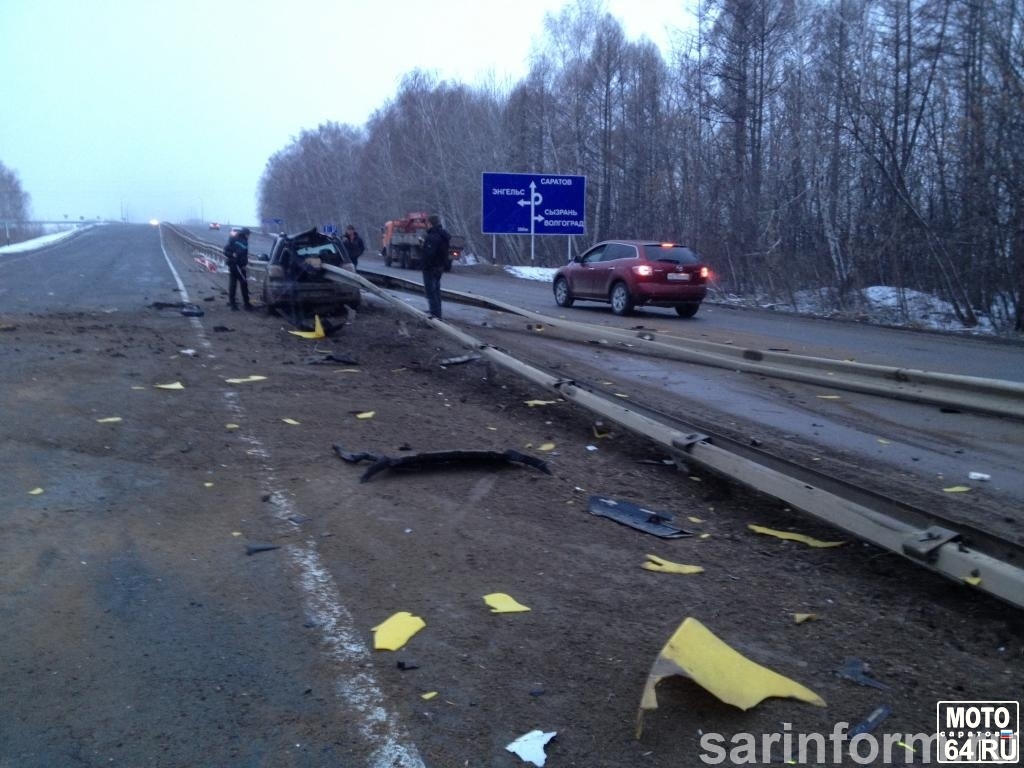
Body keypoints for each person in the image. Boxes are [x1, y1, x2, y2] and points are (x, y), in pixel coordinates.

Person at [420, 214, 450, 319]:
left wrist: (424, 265)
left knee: (431, 293)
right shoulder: (443, 235)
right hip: (439, 267)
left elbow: (429, 254)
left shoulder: (432, 237)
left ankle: (434, 315)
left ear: (430, 223)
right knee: (436, 291)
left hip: (431, 268)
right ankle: (437, 313)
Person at [223, 227, 253, 310]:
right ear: (245, 234)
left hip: (234, 265)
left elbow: (225, 251)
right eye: (248, 234)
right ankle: (246, 304)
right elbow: (227, 251)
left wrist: (231, 255)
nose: (249, 236)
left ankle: (233, 304)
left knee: (233, 284)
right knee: (243, 284)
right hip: (237, 266)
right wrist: (233, 255)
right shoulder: (241, 241)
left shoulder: (234, 239)